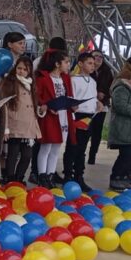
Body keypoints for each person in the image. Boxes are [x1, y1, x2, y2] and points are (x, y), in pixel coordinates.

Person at [34, 50, 75, 187]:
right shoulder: (43, 78)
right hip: (50, 117)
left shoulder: (65, 78)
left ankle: (51, 175)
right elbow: (37, 96)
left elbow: (68, 94)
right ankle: (42, 176)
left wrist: (73, 104)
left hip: (63, 116)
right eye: (66, 62)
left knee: (56, 147)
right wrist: (45, 105)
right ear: (57, 64)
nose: (68, 65)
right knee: (46, 146)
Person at [0, 56, 41, 184]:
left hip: (29, 125)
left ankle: (19, 177)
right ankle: (10, 178)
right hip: (15, 124)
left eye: (25, 69)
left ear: (29, 71)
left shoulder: (31, 84)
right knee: (13, 153)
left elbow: (33, 105)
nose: (21, 71)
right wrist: (5, 127)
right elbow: (4, 106)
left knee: (27, 155)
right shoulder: (10, 82)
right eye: (19, 68)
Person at [66, 52, 100, 192]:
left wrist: (98, 103)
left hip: (89, 116)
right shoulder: (74, 80)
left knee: (82, 148)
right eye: (89, 63)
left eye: (93, 64)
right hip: (78, 115)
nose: (92, 66)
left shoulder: (93, 81)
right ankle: (68, 175)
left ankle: (79, 175)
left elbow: (93, 97)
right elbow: (71, 97)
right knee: (73, 146)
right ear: (80, 64)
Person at [87, 49, 114, 165]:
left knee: (97, 131)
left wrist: (104, 95)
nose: (98, 58)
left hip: (102, 105)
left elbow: (111, 88)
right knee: (86, 130)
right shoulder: (87, 71)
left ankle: (92, 155)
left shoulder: (107, 71)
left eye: (101, 57)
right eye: (96, 56)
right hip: (88, 105)